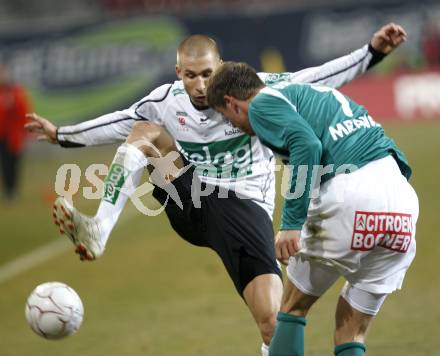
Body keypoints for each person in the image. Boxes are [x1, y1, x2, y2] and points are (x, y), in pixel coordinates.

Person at [25, 23, 407, 355]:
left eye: (207, 73)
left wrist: (372, 51)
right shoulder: (165, 101)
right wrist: (61, 135)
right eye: (190, 75)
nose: (200, 84)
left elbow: (322, 75)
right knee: (144, 132)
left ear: (220, 67)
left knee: (273, 320)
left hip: (243, 209)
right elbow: (118, 122)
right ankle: (99, 229)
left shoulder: (258, 92)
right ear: (178, 72)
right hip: (189, 197)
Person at [206, 60, 418, 356]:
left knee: (292, 308)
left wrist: (291, 223)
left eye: (225, 116)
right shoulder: (307, 95)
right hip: (401, 203)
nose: (232, 125)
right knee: (351, 330)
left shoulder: (261, 104)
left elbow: (306, 145)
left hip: (349, 193)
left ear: (232, 103)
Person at [0, 62, 31, 201]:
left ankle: (12, 190)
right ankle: (8, 190)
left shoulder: (15, 91)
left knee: (12, 162)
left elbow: (23, 111)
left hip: (12, 136)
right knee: (4, 163)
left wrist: (26, 129)